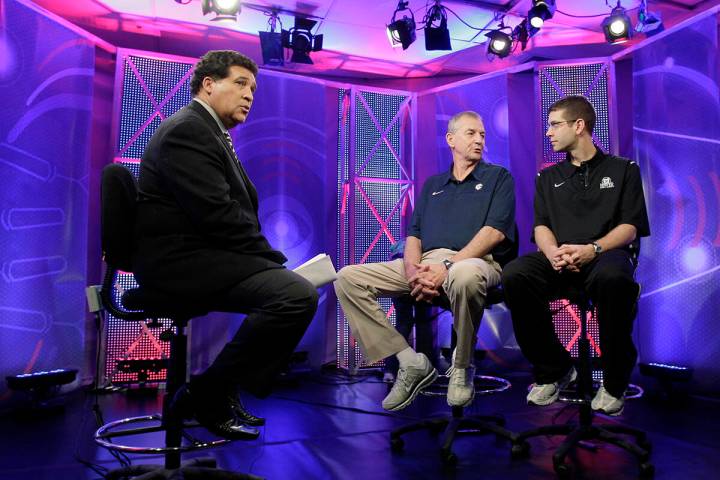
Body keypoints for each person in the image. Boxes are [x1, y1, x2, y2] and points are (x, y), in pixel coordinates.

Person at [133, 50, 318, 439]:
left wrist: (267, 261)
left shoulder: (210, 132)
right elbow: (216, 214)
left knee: (293, 290)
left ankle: (221, 389)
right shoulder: (189, 131)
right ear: (208, 84)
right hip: (179, 263)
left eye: (253, 88)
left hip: (201, 256)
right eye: (239, 83)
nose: (249, 94)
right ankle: (209, 393)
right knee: (294, 295)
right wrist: (270, 259)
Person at [335, 111, 516, 411]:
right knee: (348, 278)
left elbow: (494, 232)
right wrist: (412, 273)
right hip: (425, 263)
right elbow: (414, 237)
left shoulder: (498, 177)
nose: (479, 140)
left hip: (476, 261)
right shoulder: (433, 185)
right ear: (451, 139)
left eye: (482, 134)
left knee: (465, 274)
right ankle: (409, 361)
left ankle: (461, 367)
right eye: (471, 133)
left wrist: (445, 268)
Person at [502, 95, 650, 416]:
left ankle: (613, 381)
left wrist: (592, 249)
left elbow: (630, 228)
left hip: (604, 255)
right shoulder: (547, 177)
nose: (549, 133)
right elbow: (541, 226)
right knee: (515, 274)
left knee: (614, 279)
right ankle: (553, 369)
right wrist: (554, 252)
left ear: (579, 126)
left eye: (555, 125)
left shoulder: (624, 170)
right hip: (560, 258)